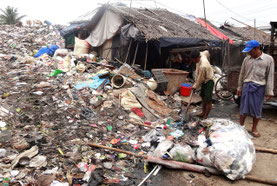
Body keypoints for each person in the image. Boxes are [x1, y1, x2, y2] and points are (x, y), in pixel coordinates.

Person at [237, 40, 275, 137]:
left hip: (259, 87)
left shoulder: (268, 59)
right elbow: (242, 73)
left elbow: (270, 76)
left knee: (257, 109)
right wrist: (239, 87)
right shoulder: (247, 59)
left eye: (251, 51)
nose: (249, 53)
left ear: (257, 48)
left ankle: (254, 128)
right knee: (243, 107)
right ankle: (241, 126)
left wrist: (269, 91)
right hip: (246, 85)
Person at [190, 50, 214, 119]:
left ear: (198, 57)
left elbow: (200, 79)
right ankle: (203, 112)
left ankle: (206, 116)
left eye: (194, 60)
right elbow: (207, 51)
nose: (194, 62)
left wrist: (194, 87)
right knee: (203, 97)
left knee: (208, 100)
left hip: (209, 81)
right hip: (204, 81)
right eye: (193, 60)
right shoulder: (202, 54)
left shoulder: (203, 66)